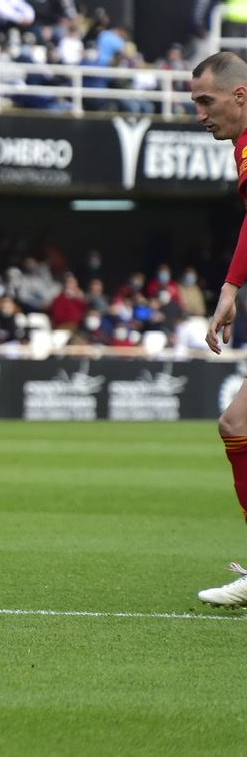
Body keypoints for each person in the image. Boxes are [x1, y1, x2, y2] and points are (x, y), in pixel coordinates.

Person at [192, 51, 247, 608]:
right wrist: (232, 288)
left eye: (206, 102)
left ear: (240, 96)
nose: (200, 114)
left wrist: (230, 288)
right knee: (236, 426)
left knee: (237, 424)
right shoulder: (241, 144)